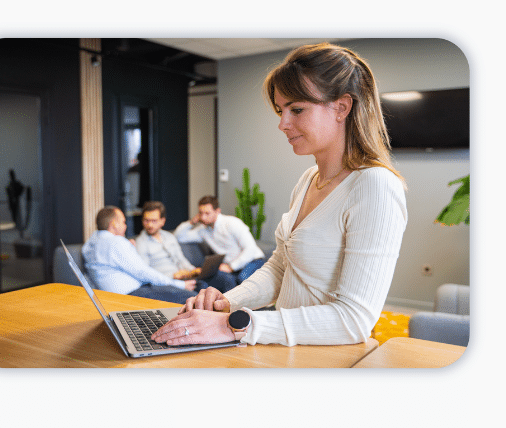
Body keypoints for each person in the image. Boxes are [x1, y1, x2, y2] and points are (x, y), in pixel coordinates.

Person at [152, 42, 408, 347]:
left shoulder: (375, 186)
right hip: (287, 354)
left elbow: (353, 321)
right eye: (281, 110)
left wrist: (233, 326)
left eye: (297, 110)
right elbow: (280, 268)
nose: (283, 124)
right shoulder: (309, 180)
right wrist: (225, 303)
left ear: (342, 107)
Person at [82, 206, 198, 304]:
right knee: (193, 297)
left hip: (120, 295)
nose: (125, 226)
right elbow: (143, 272)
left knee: (198, 288)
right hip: (135, 294)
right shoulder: (116, 242)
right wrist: (179, 285)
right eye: (123, 222)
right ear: (114, 224)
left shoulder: (89, 244)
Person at [134, 201, 236, 293]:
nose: (150, 225)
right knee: (203, 287)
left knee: (226, 278)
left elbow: (181, 259)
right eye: (146, 220)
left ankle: (232, 310)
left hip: (184, 277)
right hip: (168, 281)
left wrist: (193, 271)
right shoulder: (141, 243)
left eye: (154, 221)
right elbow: (147, 273)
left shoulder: (169, 237)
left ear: (162, 221)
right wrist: (174, 278)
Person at [174, 195, 266, 286]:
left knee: (243, 279)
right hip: (230, 266)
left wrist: (231, 267)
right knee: (224, 281)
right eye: (200, 213)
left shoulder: (232, 223)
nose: (203, 217)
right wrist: (192, 222)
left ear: (217, 211)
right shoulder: (202, 230)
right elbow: (179, 236)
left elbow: (250, 248)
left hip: (252, 260)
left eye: (207, 213)